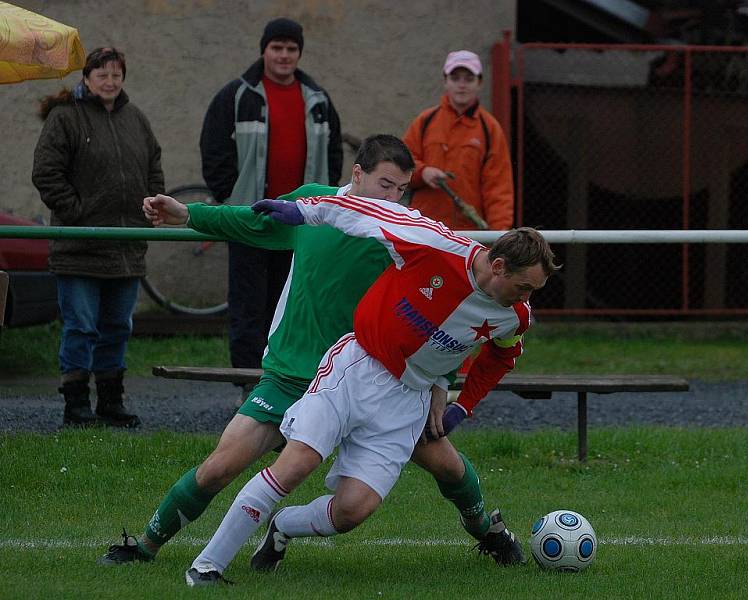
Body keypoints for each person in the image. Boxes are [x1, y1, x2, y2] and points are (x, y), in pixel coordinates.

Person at [99, 135, 525, 577]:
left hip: (376, 376)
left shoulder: (404, 233)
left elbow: (449, 314)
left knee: (448, 465)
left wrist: (440, 386)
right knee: (219, 468)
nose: (393, 198)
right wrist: (188, 214)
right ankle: (145, 546)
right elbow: (253, 221)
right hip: (293, 372)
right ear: (356, 174)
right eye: (384, 184)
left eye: (401, 189)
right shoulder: (312, 204)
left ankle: (487, 532)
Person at [182, 185, 558, 584]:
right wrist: (303, 210)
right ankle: (206, 566)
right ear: (498, 267)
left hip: (406, 401)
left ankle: (283, 527)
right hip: (357, 368)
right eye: (525, 287)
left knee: (351, 512)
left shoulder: (513, 315)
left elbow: (502, 357)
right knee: (295, 466)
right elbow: (363, 211)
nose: (527, 300)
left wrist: (461, 405)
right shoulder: (433, 242)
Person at [200, 17, 343, 395]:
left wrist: (322, 206)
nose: (284, 55)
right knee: (248, 309)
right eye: (277, 48)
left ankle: (288, 386)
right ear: (264, 50)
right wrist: (231, 199)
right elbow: (213, 150)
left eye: (291, 49)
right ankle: (249, 388)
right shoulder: (237, 95)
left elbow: (332, 157)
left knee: (292, 308)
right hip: (251, 220)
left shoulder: (318, 101)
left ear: (299, 53)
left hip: (300, 225)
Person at [31, 47, 165, 428]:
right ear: (86, 78)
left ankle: (110, 400)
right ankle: (76, 403)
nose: (109, 82)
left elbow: (154, 164)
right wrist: (76, 212)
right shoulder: (65, 118)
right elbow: (46, 172)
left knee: (117, 327)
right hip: (80, 247)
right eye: (102, 75)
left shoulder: (135, 119)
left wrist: (152, 203)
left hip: (126, 246)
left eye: (116, 75)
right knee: (82, 326)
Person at [402, 50, 513, 231]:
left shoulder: (490, 129)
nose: (462, 85)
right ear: (445, 81)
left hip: (469, 235)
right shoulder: (425, 121)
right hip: (424, 230)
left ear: (479, 83)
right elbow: (400, 166)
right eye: (455, 78)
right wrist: (423, 172)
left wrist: (499, 236)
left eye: (469, 79)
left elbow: (499, 189)